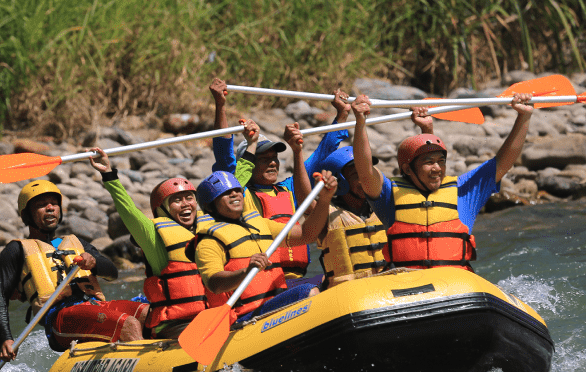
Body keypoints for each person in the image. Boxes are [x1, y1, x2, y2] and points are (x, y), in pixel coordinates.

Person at [350, 92, 535, 271]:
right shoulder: (389, 195)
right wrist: (360, 122)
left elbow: (504, 162)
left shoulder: (464, 191)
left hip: (454, 285)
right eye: (429, 163)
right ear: (407, 169)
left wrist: (523, 118)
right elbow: (365, 170)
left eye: (441, 161)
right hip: (406, 283)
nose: (437, 168)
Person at [209, 79, 353, 281]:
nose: (273, 163)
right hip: (265, 279)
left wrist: (342, 115)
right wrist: (220, 105)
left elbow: (323, 153)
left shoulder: (289, 189)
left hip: (298, 277)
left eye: (274, 158)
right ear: (248, 164)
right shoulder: (239, 194)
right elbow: (224, 154)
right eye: (264, 160)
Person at [0, 180, 148, 361]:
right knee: (128, 324)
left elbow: (112, 272)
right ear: (27, 214)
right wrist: (5, 338)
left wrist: (94, 263)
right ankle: (147, 368)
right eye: (42, 205)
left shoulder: (77, 242)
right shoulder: (16, 250)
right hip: (59, 318)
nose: (50, 208)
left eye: (54, 204)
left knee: (148, 312)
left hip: (94, 305)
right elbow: (0, 297)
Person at [87, 149, 226, 339]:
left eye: (189, 198)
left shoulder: (211, 228)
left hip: (216, 316)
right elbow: (129, 212)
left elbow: (234, 191)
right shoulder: (153, 238)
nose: (185, 204)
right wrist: (109, 175)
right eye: (176, 200)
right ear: (162, 209)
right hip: (177, 325)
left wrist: (250, 149)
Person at [191, 170, 337, 324]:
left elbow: (307, 234)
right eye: (226, 193)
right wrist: (246, 271)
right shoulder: (208, 242)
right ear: (210, 206)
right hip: (246, 316)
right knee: (306, 291)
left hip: (274, 303)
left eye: (237, 190)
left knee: (327, 283)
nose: (234, 195)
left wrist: (324, 199)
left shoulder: (259, 223)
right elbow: (215, 284)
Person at [313, 107, 436, 287]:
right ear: (340, 181)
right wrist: (297, 150)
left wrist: (426, 131)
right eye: (358, 174)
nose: (365, 179)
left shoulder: (386, 207)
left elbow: (422, 179)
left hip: (389, 287)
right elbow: (301, 195)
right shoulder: (325, 213)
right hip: (349, 295)